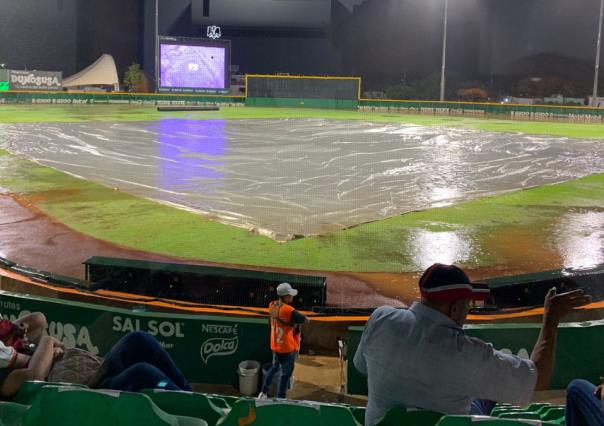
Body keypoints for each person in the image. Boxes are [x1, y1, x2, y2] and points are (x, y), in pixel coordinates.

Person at [353, 263, 591, 426]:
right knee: (486, 395)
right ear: (454, 308)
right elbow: (536, 378)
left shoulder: (381, 319)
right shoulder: (468, 355)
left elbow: (361, 366)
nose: (468, 311)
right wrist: (551, 319)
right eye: (467, 305)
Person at [0, 312, 190, 397]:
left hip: (87, 369)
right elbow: (34, 375)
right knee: (142, 372)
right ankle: (191, 406)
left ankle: (191, 398)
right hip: (82, 393)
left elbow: (38, 320)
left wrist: (11, 328)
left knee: (139, 339)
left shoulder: (7, 346)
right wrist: (48, 343)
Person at [258, 282, 307, 399]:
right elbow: (304, 319)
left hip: (276, 346)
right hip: (286, 348)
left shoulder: (272, 305)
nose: (292, 296)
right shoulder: (288, 309)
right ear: (285, 296)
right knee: (285, 375)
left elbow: (281, 316)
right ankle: (281, 398)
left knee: (274, 368)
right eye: (290, 294)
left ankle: (263, 393)